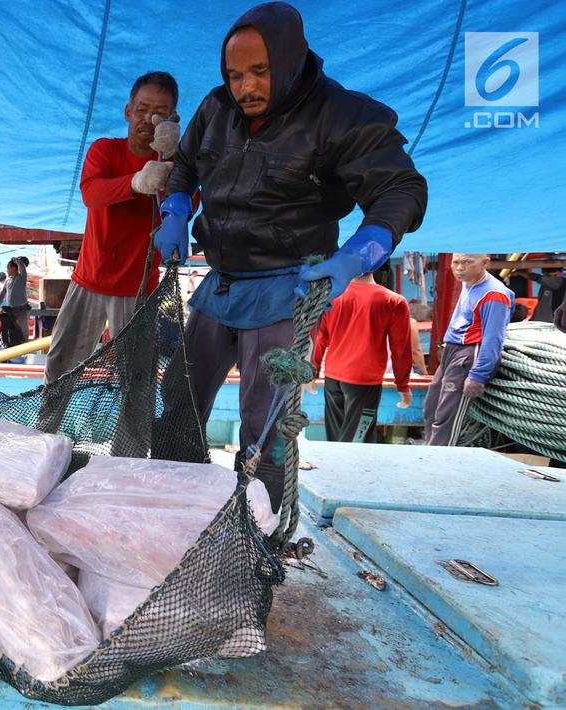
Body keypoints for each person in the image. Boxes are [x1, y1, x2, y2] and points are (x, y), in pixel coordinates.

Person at [159, 2, 427, 506]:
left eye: (259, 72)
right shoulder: (217, 108)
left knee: (264, 422)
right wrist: (176, 209)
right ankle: (171, 499)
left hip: (288, 287)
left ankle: (258, 527)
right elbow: (186, 165)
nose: (246, 88)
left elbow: (402, 190)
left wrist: (355, 256)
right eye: (235, 75)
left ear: (289, 58)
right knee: (178, 400)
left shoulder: (342, 116)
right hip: (220, 281)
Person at [45, 71, 185, 382]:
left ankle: (134, 434)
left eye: (159, 113)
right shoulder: (104, 150)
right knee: (60, 367)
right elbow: (91, 194)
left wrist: (171, 158)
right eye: (141, 110)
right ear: (127, 112)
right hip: (88, 283)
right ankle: (46, 428)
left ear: (173, 119)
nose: (148, 119)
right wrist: (136, 182)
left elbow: (191, 203)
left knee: (137, 380)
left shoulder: (178, 164)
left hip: (140, 291)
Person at [306, 273, 413, 442]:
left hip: (333, 377)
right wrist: (403, 385)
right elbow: (401, 349)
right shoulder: (393, 301)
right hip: (364, 380)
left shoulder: (332, 297)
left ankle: (337, 467)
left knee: (336, 437)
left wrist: (314, 371)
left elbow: (320, 338)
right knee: (358, 440)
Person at [422, 254, 514, 446]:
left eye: (467, 262)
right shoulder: (468, 282)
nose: (460, 268)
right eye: (456, 262)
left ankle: (440, 461)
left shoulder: (494, 294)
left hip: (471, 353)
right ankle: (428, 452)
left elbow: (493, 338)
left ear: (485, 263)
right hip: (452, 350)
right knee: (430, 407)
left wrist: (478, 376)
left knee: (447, 416)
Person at [0, 256, 31, 348]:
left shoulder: (22, 278)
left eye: (8, 267)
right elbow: (1, 294)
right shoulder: (7, 280)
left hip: (22, 310)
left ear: (14, 268)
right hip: (11, 311)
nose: (7, 269)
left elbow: (23, 268)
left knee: (23, 331)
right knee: (12, 331)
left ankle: (24, 350)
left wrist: (16, 260)